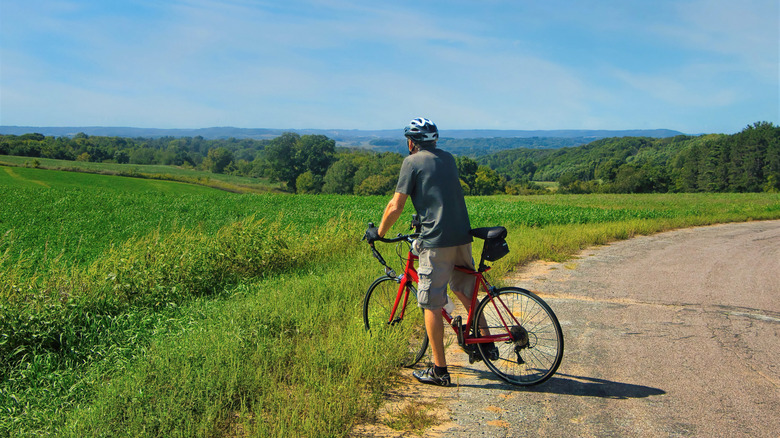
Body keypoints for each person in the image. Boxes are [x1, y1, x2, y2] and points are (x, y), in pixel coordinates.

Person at [365, 117, 491, 387]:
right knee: (465, 291)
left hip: (436, 242)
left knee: (432, 303)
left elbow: (395, 205)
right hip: (462, 237)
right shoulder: (449, 158)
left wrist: (380, 232)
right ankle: (487, 342)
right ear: (434, 140)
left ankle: (439, 370)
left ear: (411, 142)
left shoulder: (411, 162)